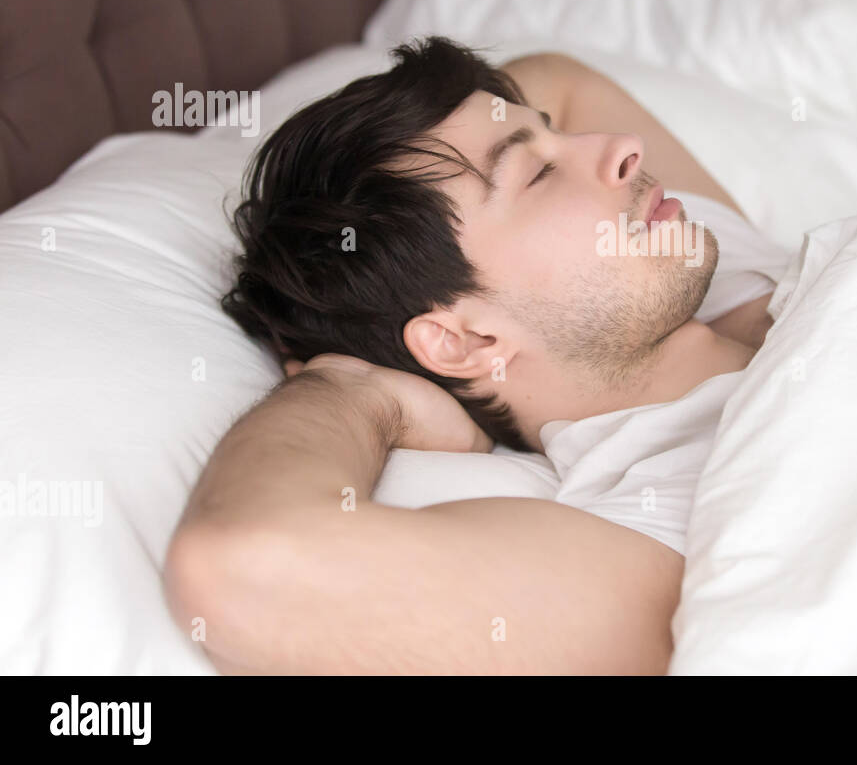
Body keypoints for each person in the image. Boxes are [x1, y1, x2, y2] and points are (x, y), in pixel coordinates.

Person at [163, 37, 792, 674]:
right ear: (465, 342)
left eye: (552, 139)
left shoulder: (701, 262)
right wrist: (351, 389)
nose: (623, 145)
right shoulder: (676, 529)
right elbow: (242, 567)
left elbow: (556, 79)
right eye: (539, 172)